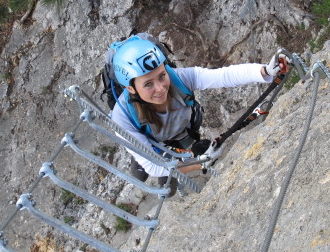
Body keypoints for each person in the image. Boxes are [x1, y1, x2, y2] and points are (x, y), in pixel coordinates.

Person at [110, 35, 288, 196]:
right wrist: (201, 163)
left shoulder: (179, 79)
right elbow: (153, 165)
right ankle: (152, 169)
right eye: (148, 84)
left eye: (162, 76)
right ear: (130, 88)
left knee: (168, 181)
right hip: (154, 143)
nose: (160, 88)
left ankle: (172, 176)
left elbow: (223, 76)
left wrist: (264, 71)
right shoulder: (122, 117)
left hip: (180, 135)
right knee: (143, 173)